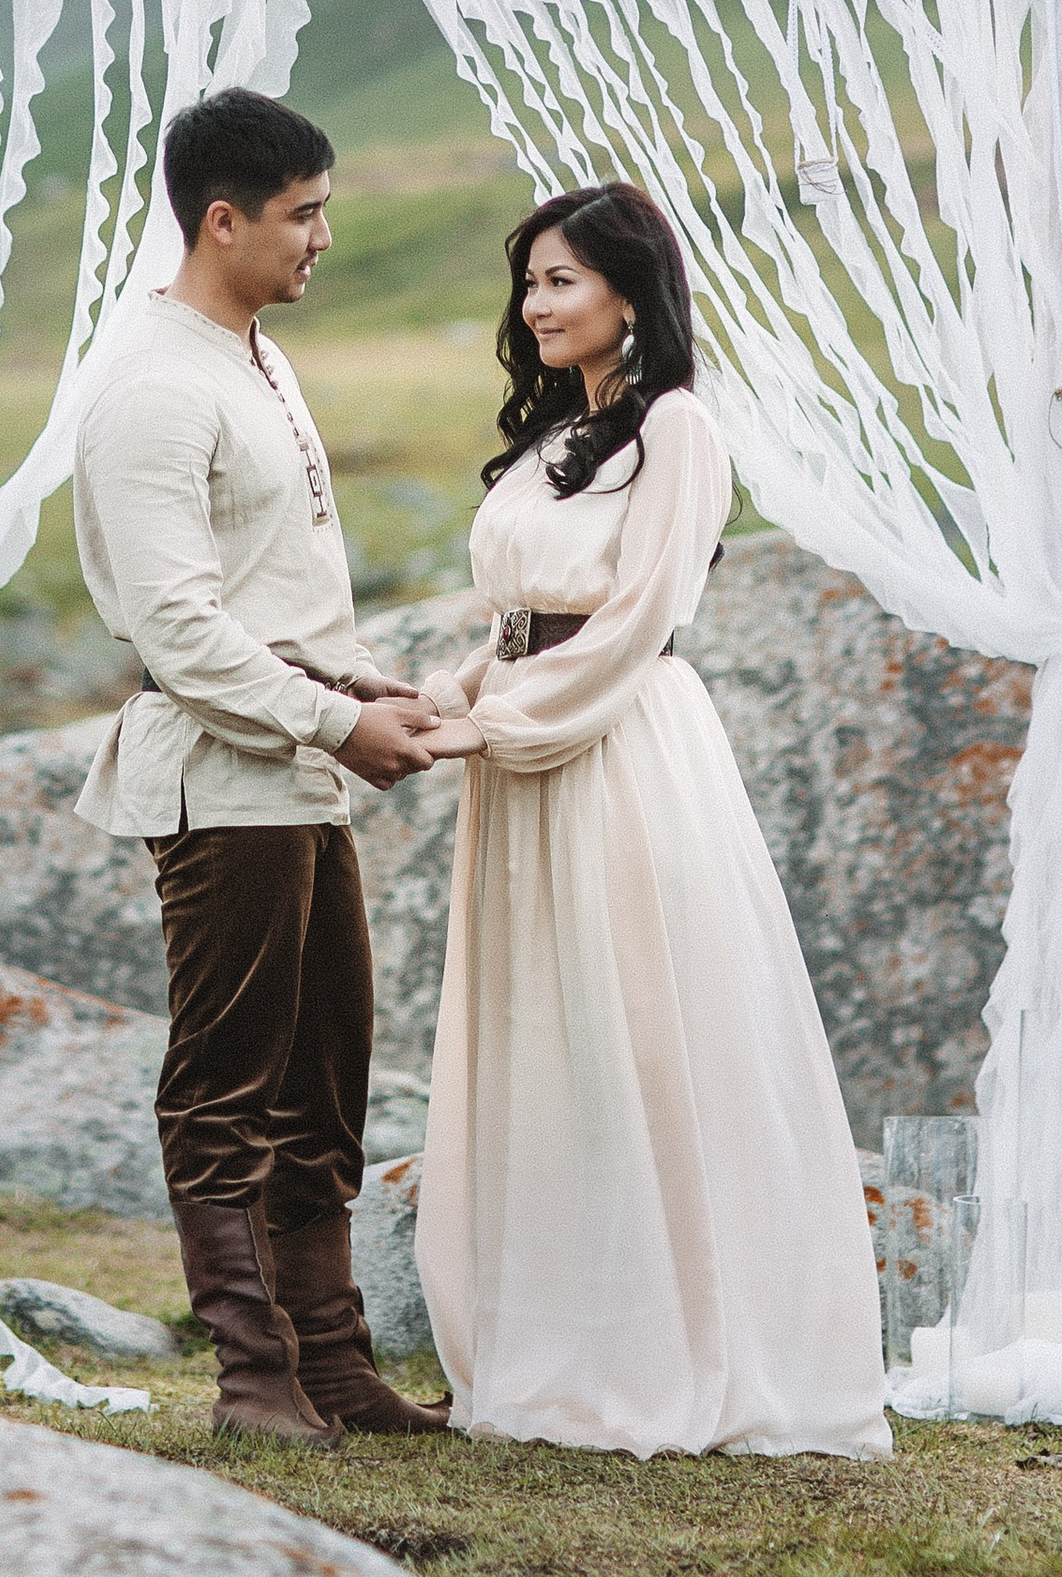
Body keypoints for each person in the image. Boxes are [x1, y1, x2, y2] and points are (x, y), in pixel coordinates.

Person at [412, 180, 892, 1458]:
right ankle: (552, 1340)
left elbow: (634, 621)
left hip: (614, 748)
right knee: (546, 1039)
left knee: (636, 1029)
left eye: (563, 279)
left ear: (632, 291)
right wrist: (434, 700)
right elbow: (517, 616)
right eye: (530, 282)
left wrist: (499, 724)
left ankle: (667, 1348)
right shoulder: (552, 437)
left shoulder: (675, 429)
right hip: (519, 747)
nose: (538, 304)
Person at [70, 85, 450, 1444]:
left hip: (294, 765)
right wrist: (339, 721)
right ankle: (251, 1378)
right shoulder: (152, 394)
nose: (323, 240)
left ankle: (334, 1367)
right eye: (303, 216)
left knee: (328, 1072)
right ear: (220, 222)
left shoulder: (253, 360)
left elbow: (261, 593)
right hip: (224, 782)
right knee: (229, 1082)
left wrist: (356, 687)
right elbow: (179, 629)